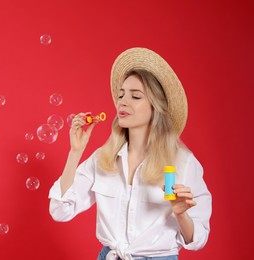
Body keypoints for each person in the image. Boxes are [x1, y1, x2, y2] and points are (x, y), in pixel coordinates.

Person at [48, 47, 212, 260]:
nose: (122, 102)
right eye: (121, 95)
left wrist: (181, 214)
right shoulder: (103, 158)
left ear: (156, 106)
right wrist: (75, 152)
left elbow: (198, 239)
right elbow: (60, 211)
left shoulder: (183, 162)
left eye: (135, 96)